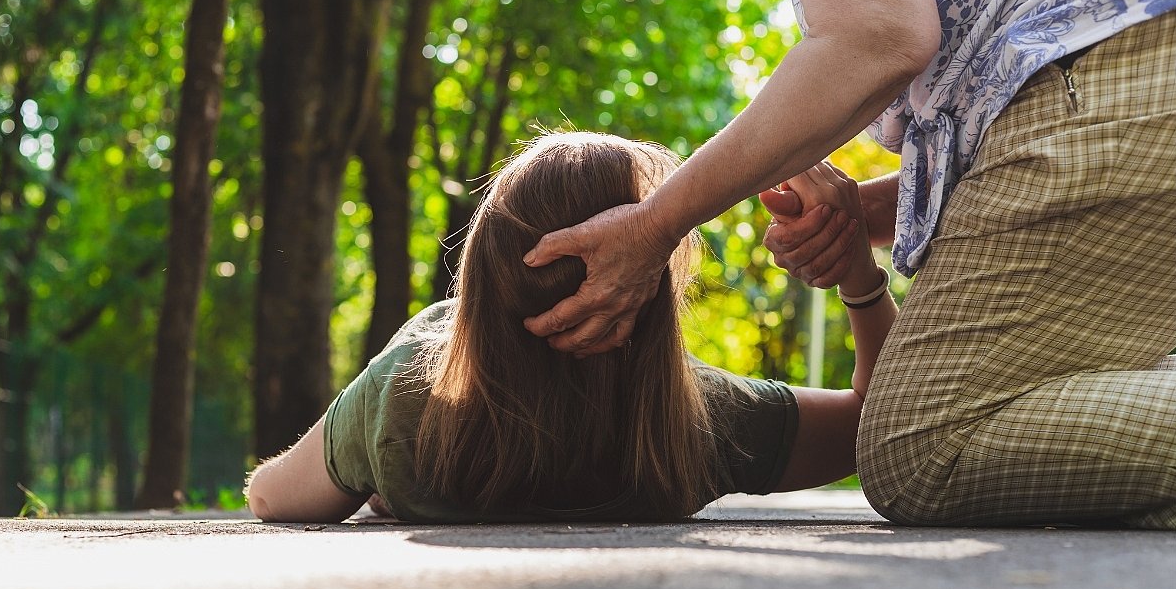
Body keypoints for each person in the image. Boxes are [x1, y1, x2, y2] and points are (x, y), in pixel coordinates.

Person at [519, 0, 1176, 527]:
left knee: (920, 450)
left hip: (1119, 52)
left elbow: (878, 33)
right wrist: (857, 224)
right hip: (1135, 50)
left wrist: (656, 224)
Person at [244, 132, 893, 523]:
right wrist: (860, 278)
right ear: (648, 290)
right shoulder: (698, 421)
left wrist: (379, 462)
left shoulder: (407, 397)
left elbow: (271, 498)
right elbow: (881, 423)